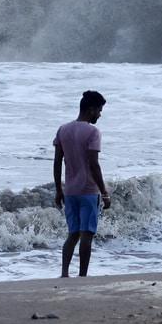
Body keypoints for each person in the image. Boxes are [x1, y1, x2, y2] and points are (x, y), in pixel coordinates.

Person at [52, 90, 111, 277]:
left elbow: (57, 162)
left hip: (70, 191)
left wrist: (58, 190)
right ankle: (82, 275)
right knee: (87, 235)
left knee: (73, 234)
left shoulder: (63, 129)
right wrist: (104, 191)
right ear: (91, 109)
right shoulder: (93, 131)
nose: (100, 115)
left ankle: (64, 273)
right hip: (88, 190)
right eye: (99, 110)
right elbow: (94, 164)